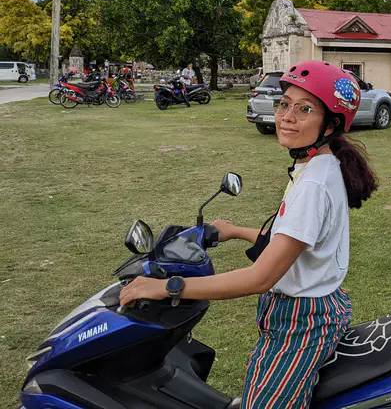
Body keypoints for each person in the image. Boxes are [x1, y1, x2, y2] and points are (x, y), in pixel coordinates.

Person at [120, 61, 377, 408]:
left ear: (330, 124)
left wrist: (168, 287)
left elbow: (260, 277)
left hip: (299, 324)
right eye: (284, 103)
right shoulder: (321, 165)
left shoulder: (313, 184)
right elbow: (300, 242)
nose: (287, 116)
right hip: (315, 307)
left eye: (305, 109)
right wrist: (238, 231)